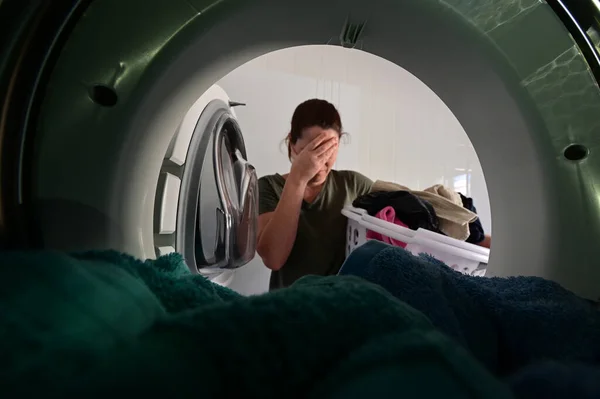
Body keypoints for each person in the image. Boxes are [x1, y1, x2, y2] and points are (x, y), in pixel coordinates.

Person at [257, 99, 373, 290]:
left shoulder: (353, 185)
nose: (321, 161)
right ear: (293, 144)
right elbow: (273, 258)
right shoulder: (269, 186)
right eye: (313, 150)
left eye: (328, 149)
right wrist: (298, 179)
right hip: (287, 308)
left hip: (338, 307)